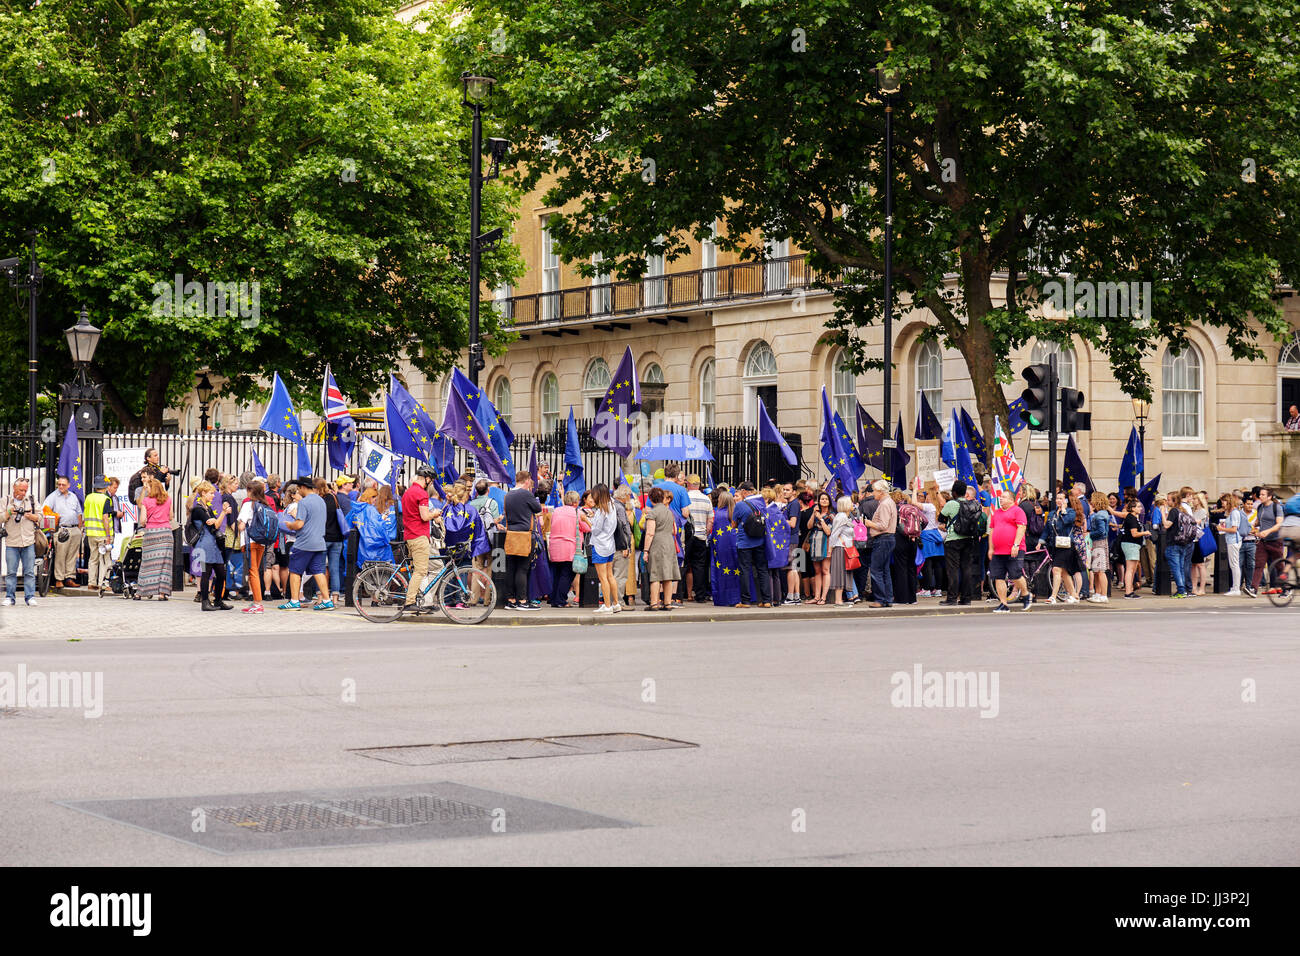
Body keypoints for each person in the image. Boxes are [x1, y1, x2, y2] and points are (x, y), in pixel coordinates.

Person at [280, 476, 331, 611]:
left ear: (303, 487)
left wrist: (290, 525)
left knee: (295, 571)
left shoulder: (304, 502)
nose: (297, 491)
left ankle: (294, 601)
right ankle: (327, 600)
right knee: (318, 571)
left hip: (304, 542)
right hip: (319, 541)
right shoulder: (321, 500)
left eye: (298, 488)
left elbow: (299, 523)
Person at [398, 465, 438, 609]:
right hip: (419, 536)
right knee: (421, 571)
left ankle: (424, 601)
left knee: (420, 570)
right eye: (431, 481)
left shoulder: (408, 492)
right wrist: (435, 514)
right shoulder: (421, 494)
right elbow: (425, 516)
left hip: (410, 535)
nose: (431, 483)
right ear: (426, 479)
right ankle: (409, 602)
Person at [988, 489, 1032, 612]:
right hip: (998, 551)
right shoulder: (996, 513)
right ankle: (1003, 603)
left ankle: (1025, 594)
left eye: (1004, 497)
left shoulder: (1018, 511)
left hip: (1014, 549)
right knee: (998, 577)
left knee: (1015, 574)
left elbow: (1021, 527)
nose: (1000, 499)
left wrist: (1016, 545)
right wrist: (991, 548)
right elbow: (992, 530)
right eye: (1000, 497)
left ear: (1011, 500)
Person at [503, 473, 542, 611]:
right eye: (530, 481)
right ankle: (523, 601)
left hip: (511, 534)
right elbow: (538, 509)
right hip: (524, 535)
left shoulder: (507, 495)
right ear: (526, 481)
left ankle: (510, 600)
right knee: (522, 569)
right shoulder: (526, 494)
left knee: (511, 568)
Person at [191, 481, 232, 611]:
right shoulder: (198, 509)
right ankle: (205, 602)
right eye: (211, 493)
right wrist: (223, 513)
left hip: (213, 544)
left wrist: (217, 518)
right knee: (206, 573)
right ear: (203, 493)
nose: (213, 496)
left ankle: (218, 600)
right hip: (204, 544)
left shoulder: (207, 508)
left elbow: (217, 524)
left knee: (221, 573)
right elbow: (213, 525)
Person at [2, 478, 42, 606]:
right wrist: (8, 513)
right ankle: (9, 597)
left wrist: (31, 516)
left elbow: (40, 516)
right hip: (12, 542)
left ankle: (30, 596)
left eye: (25, 490)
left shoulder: (31, 500)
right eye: (21, 490)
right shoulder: (6, 500)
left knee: (29, 571)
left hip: (28, 541)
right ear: (14, 488)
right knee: (11, 572)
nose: (23, 493)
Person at [547, 490, 591, 608]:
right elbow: (587, 528)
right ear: (575, 502)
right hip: (569, 547)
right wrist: (587, 518)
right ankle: (561, 600)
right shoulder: (577, 512)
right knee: (567, 574)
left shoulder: (556, 511)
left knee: (557, 574)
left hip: (555, 546)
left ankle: (553, 599)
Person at [641, 486, 681, 611]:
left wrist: (646, 550)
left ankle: (654, 603)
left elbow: (650, 533)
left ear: (651, 499)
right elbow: (675, 530)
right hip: (669, 543)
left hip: (658, 544)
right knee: (668, 575)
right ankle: (667, 603)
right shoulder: (670, 512)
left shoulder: (652, 513)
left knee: (656, 574)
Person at [732, 481, 771, 607]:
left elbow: (733, 524)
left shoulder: (740, 505)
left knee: (745, 570)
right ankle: (766, 600)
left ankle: (746, 601)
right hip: (760, 541)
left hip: (744, 542)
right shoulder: (761, 503)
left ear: (744, 492)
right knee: (762, 570)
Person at [940, 480, 978, 606]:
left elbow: (941, 518)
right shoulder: (972, 504)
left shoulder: (951, 504)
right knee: (966, 569)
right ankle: (966, 598)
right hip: (969, 539)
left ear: (954, 492)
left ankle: (952, 598)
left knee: (953, 570)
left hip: (953, 539)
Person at [42, 475, 83, 589]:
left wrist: (79, 530)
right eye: (59, 484)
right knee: (61, 554)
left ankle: (69, 577)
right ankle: (59, 579)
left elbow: (79, 513)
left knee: (72, 555)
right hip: (62, 528)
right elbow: (45, 510)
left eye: (63, 484)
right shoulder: (53, 496)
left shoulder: (73, 496)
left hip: (74, 528)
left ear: (68, 485)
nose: (60, 486)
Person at [237, 480, 272, 613]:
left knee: (253, 572)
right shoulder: (265, 505)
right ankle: (255, 603)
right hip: (261, 542)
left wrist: (240, 522)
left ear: (251, 491)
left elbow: (241, 526)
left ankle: (258, 603)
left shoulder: (248, 505)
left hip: (249, 541)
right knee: (256, 571)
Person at [318, 477, 352, 606]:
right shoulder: (334, 498)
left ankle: (321, 597)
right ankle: (335, 598)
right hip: (337, 538)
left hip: (324, 537)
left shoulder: (320, 501)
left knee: (319, 568)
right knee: (334, 569)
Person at [1046, 490, 1081, 604]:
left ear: (1066, 500)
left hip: (1066, 545)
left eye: (1061, 498)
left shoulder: (1071, 512)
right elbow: (1047, 529)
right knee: (1064, 572)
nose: (1058, 501)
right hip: (1055, 545)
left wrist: (1064, 511)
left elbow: (1066, 522)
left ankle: (1053, 596)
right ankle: (1074, 596)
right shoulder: (1052, 513)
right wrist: (1041, 541)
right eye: (1057, 498)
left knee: (1056, 569)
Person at [685, 474, 713, 602]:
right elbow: (710, 520)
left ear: (688, 484)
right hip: (701, 536)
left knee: (684, 565)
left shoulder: (685, 497)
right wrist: (706, 532)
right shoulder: (706, 499)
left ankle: (681, 594)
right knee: (699, 566)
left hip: (687, 536)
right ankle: (700, 595)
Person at [1250, 487, 1284, 591]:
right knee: (1259, 564)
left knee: (1279, 565)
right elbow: (1260, 521)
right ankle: (1253, 588)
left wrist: (1267, 531)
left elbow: (1279, 524)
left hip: (1275, 541)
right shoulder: (1260, 507)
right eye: (1260, 494)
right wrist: (1254, 527)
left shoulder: (1276, 507)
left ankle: (1285, 586)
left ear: (1269, 497)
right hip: (1263, 541)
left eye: (1263, 495)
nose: (1260, 496)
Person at [827, 495, 855, 605]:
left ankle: (840, 599)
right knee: (839, 572)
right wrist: (830, 549)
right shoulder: (841, 517)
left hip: (845, 547)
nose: (853, 504)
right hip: (840, 548)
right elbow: (834, 534)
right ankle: (838, 600)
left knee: (843, 572)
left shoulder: (845, 517)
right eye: (850, 502)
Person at [1119, 498, 1150, 599]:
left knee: (1132, 569)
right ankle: (1128, 592)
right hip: (1131, 544)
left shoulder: (1132, 517)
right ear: (1132, 508)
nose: (1140, 508)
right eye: (1138, 507)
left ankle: (1130, 590)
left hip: (1133, 545)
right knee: (1130, 569)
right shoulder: (1131, 518)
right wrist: (1145, 533)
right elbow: (1134, 533)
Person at [1216, 493, 1246, 596]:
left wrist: (1222, 529)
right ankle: (1234, 587)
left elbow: (1234, 529)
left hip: (1234, 540)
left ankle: (1236, 588)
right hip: (1231, 540)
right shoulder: (1231, 513)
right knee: (1234, 564)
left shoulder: (1234, 513)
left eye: (1223, 502)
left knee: (1234, 565)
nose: (1222, 504)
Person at [1086, 491, 1113, 603]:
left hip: (1099, 543)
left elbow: (1101, 531)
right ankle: (1098, 593)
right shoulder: (1102, 513)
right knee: (1097, 570)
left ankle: (1103, 595)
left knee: (1100, 570)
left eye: (1093, 499)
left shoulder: (1100, 515)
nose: (1091, 501)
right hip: (1099, 543)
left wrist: (1089, 534)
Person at [807, 491, 833, 605]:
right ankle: (816, 597)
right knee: (817, 571)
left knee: (825, 570)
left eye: (826, 499)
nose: (824, 501)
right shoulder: (816, 512)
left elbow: (828, 532)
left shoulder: (832, 515)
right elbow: (809, 526)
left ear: (829, 502)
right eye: (822, 499)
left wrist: (821, 520)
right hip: (815, 543)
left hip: (826, 543)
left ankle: (824, 597)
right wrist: (814, 514)